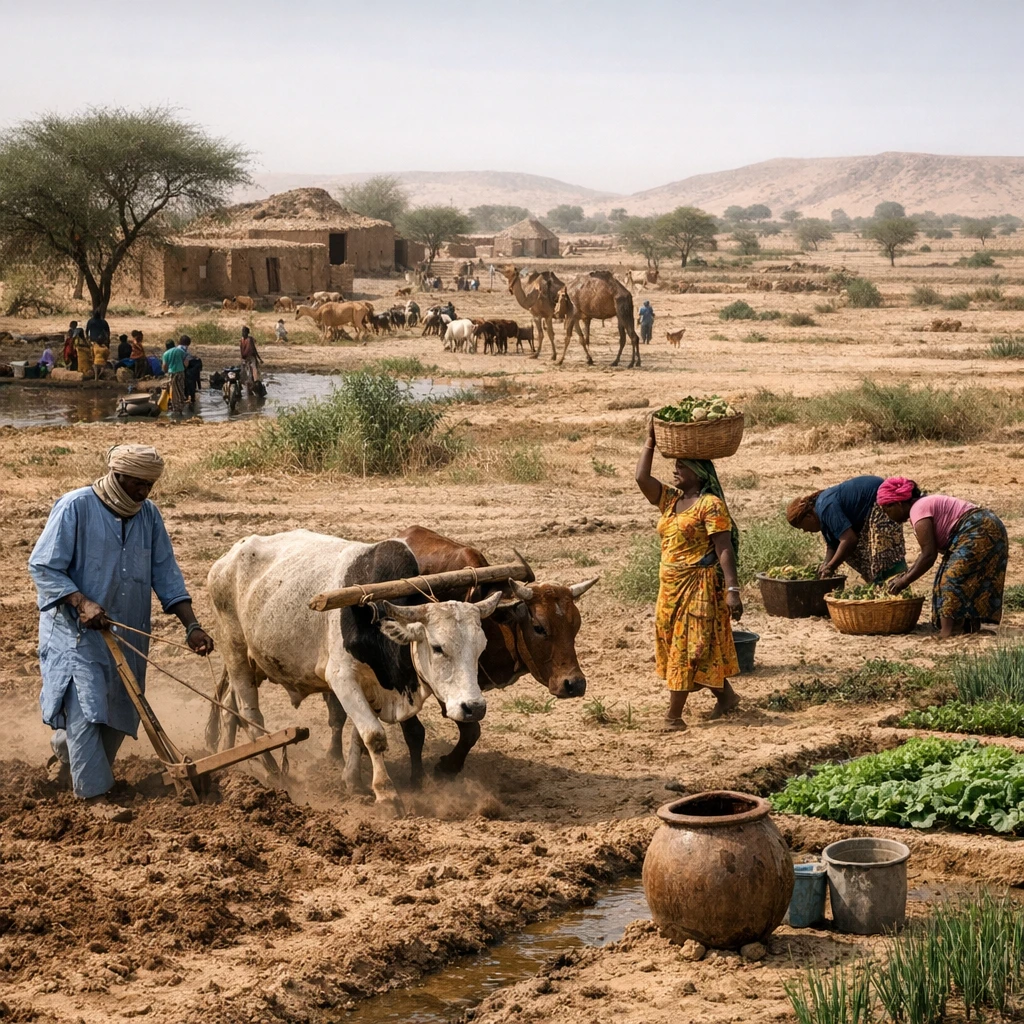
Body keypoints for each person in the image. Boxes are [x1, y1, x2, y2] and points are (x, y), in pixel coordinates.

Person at [28, 444, 213, 821]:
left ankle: (69, 759)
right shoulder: (75, 507)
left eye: (150, 485)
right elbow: (43, 567)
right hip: (75, 634)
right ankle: (95, 799)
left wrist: (191, 625)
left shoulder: (149, 516)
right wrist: (82, 603)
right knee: (85, 709)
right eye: (137, 484)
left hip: (127, 631)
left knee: (118, 711)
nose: (144, 492)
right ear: (117, 476)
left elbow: (166, 573)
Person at [635, 421, 743, 730]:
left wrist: (732, 589)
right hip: (669, 588)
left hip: (699, 586)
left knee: (687, 647)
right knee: (678, 645)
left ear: (700, 473)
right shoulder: (669, 500)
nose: (676, 470)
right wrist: (650, 441)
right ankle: (727, 699)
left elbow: (724, 549)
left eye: (683, 466)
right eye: (676, 465)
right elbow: (641, 477)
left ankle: (673, 717)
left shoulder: (711, 505)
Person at [877, 477, 1008, 638]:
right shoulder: (921, 506)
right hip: (988, 526)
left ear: (897, 503)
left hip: (978, 529)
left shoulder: (918, 509)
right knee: (970, 578)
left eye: (886, 509)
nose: (886, 515)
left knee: (950, 578)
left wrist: (904, 581)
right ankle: (968, 627)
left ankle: (948, 632)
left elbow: (928, 556)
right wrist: (905, 576)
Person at [787, 475, 907, 583]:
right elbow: (833, 545)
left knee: (883, 553)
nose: (806, 531)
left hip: (881, 502)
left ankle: (894, 583)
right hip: (867, 512)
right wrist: (825, 566)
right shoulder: (821, 515)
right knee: (845, 552)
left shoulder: (825, 508)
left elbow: (849, 539)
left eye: (803, 527)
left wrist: (831, 567)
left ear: (808, 517)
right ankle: (877, 582)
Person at [161, 338, 187, 413]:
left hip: (172, 374)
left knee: (174, 392)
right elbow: (186, 362)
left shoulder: (166, 354)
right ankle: (181, 405)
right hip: (181, 372)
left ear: (166, 346)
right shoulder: (180, 351)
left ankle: (176, 408)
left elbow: (164, 367)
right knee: (181, 389)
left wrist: (164, 371)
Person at [178, 335, 202, 406]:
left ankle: (184, 397)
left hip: (176, 369)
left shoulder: (176, 349)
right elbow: (186, 361)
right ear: (188, 343)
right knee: (190, 384)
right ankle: (191, 398)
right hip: (185, 370)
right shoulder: (185, 350)